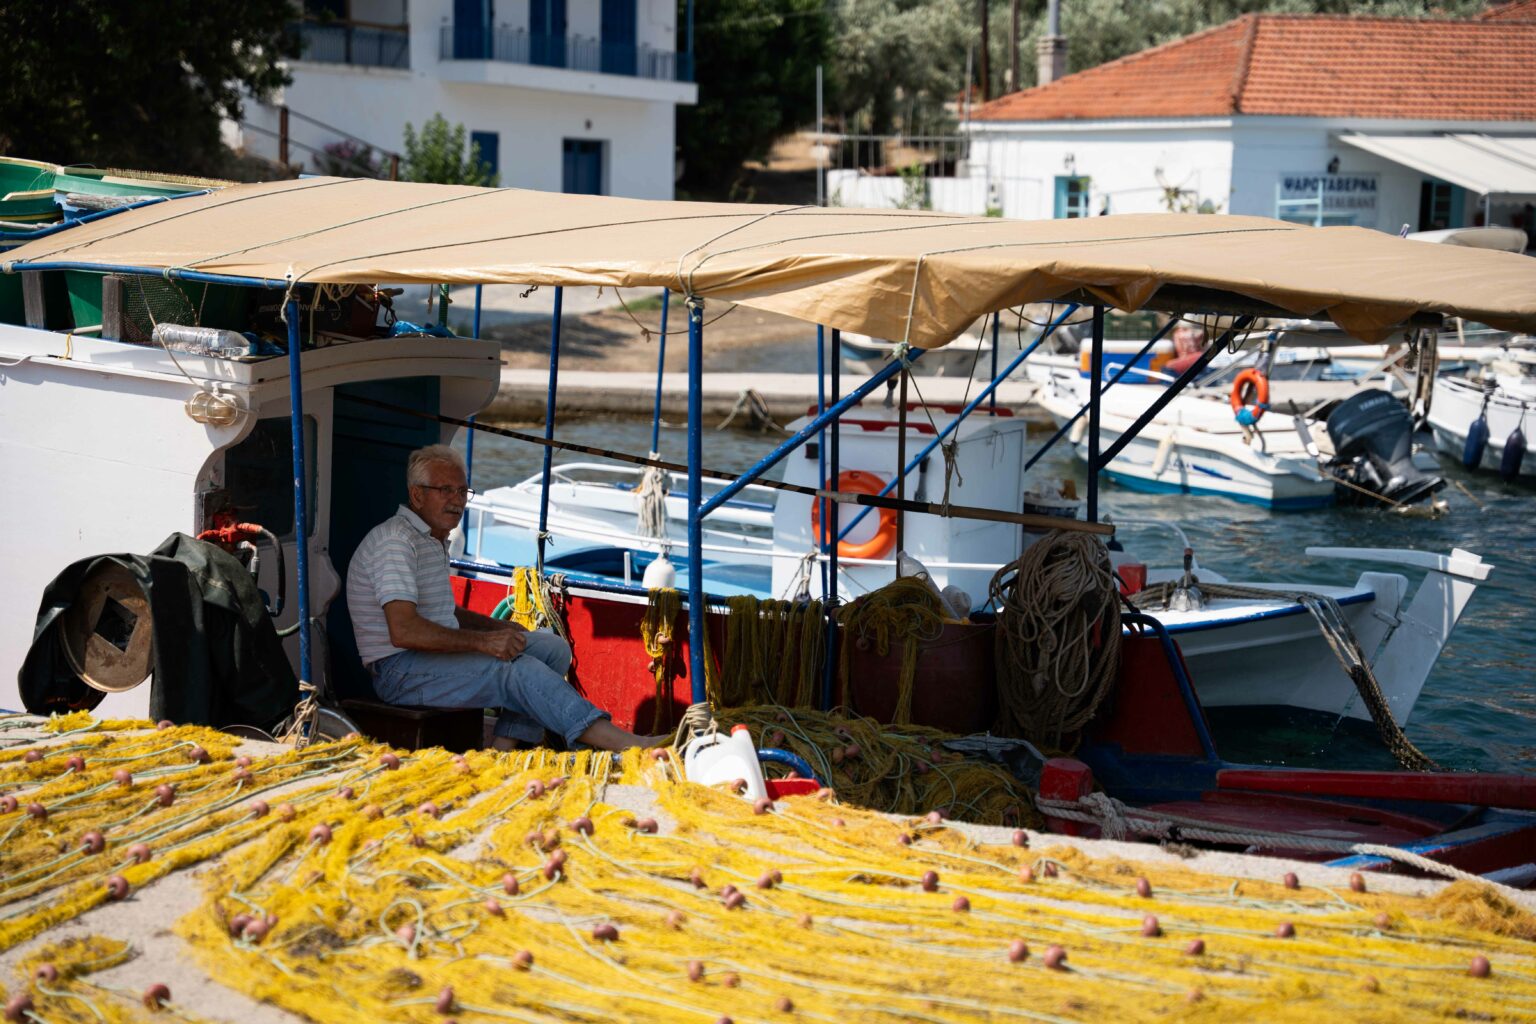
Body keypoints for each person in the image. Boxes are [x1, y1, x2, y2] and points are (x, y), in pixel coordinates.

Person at [347, 444, 658, 752]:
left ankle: (502, 748)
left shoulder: (432, 539)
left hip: (429, 658)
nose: (457, 501)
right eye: (445, 490)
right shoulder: (397, 542)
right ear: (417, 495)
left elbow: (444, 611)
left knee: (552, 648)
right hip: (399, 671)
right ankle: (627, 744)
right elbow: (404, 630)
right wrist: (484, 642)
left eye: (462, 492)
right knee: (515, 670)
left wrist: (498, 627)